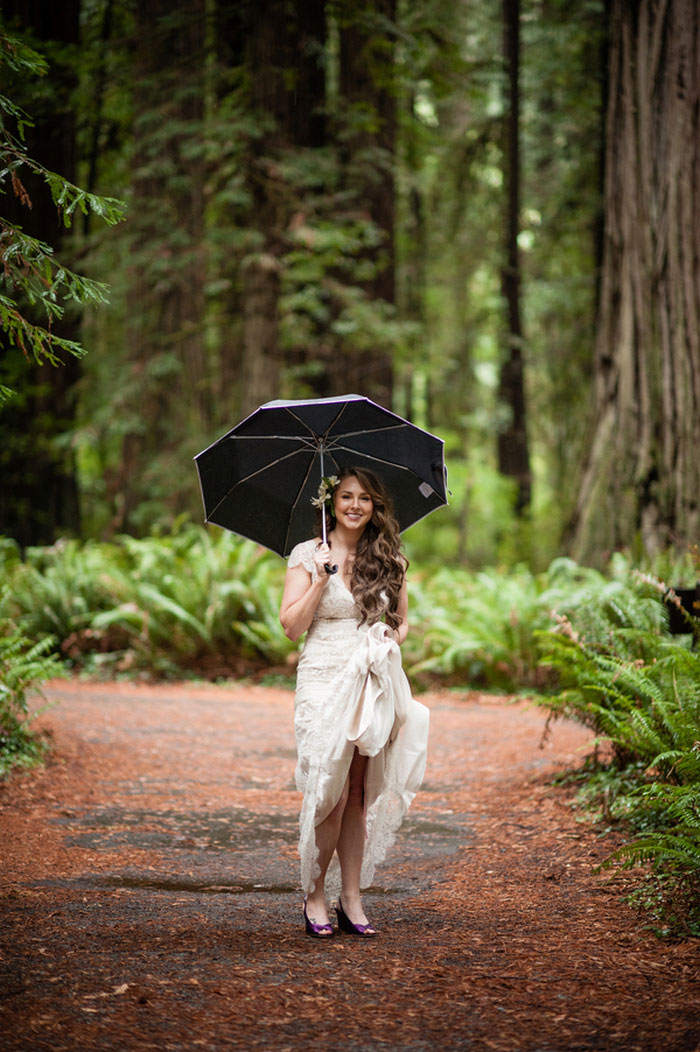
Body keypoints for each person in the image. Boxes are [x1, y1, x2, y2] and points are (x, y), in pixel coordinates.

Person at [279, 467, 429, 939]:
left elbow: (403, 620)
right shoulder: (308, 555)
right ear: (331, 502)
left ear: (374, 506)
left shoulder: (389, 559)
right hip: (323, 678)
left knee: (360, 793)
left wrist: (390, 634)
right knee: (333, 787)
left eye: (365, 498)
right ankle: (314, 893)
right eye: (346, 496)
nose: (355, 505)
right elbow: (290, 626)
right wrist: (322, 580)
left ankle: (352, 897)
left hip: (369, 680)